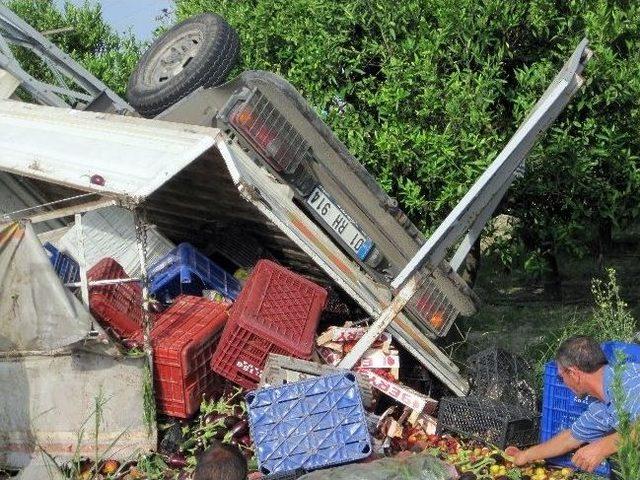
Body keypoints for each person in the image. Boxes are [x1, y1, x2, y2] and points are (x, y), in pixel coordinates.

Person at [505, 336, 640, 474]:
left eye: (561, 377)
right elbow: (571, 437)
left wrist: (602, 447)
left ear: (573, 373)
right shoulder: (601, 404)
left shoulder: (629, 381)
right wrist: (525, 455)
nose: (563, 382)